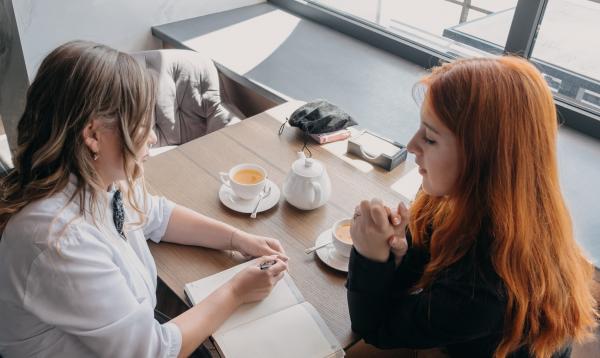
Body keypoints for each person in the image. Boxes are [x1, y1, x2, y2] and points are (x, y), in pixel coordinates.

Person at [0, 41, 288, 357]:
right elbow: (152, 351)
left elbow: (155, 214)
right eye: (140, 125)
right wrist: (235, 291)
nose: (152, 137)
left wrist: (236, 238)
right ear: (93, 135)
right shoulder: (56, 241)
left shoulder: (97, 175)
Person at [347, 57, 598, 358]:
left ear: (481, 160)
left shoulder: (485, 287)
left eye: (429, 137)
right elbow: (414, 272)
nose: (411, 145)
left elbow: (375, 328)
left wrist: (369, 256)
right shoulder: (467, 205)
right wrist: (395, 254)